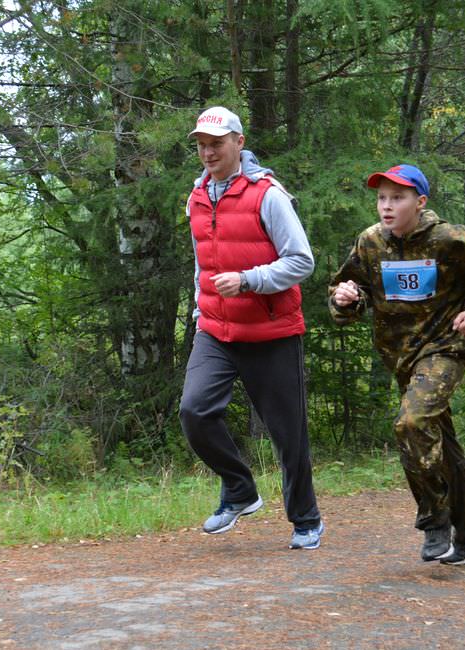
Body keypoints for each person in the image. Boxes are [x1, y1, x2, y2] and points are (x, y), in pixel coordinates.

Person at [328, 164, 465, 565]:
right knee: (437, 440)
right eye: (382, 198)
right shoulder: (370, 242)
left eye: (397, 198)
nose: (387, 206)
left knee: (411, 423)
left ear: (420, 202)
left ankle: (435, 518)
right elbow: (350, 289)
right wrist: (345, 298)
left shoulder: (451, 239)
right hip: (401, 356)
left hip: (448, 346)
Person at [179, 106, 324, 549]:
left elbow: (302, 261)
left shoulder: (268, 195)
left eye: (216, 144)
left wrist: (248, 281)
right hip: (217, 332)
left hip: (271, 332)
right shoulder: (196, 198)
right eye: (202, 145)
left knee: (288, 434)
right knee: (194, 411)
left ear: (238, 144)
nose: (208, 152)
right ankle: (240, 489)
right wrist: (203, 312)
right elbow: (204, 261)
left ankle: (305, 520)